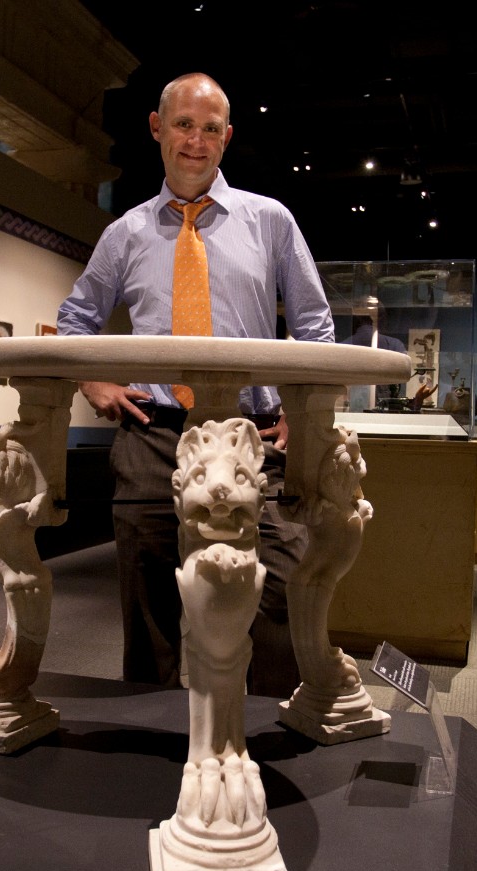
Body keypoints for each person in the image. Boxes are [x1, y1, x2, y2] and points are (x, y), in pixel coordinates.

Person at [56, 72, 334, 697]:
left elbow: (315, 323)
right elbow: (75, 319)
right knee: (150, 592)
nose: (196, 141)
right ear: (157, 128)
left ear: (227, 138)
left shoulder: (271, 221)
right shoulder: (124, 232)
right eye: (183, 124)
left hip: (252, 439)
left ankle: (262, 734)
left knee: (278, 586)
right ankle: (150, 734)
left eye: (211, 129)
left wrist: (303, 408)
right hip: (155, 438)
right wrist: (94, 379)